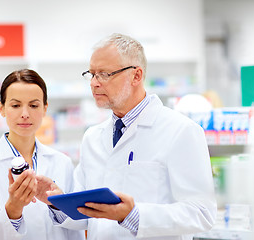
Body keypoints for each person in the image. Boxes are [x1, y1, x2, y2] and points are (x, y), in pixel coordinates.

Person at [37, 33, 217, 240]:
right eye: (92, 74)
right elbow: (86, 215)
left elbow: (202, 213)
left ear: (136, 76)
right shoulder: (93, 138)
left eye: (104, 74)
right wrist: (58, 201)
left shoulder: (181, 131)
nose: (94, 83)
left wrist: (134, 215)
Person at [0, 69, 84, 240]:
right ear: (2, 108)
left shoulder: (62, 162)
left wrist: (58, 206)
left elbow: (77, 229)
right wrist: (13, 209)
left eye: (34, 105)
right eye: (15, 105)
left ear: (45, 109)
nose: (25, 114)